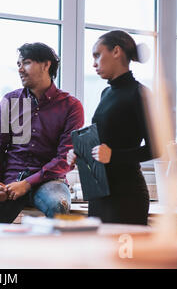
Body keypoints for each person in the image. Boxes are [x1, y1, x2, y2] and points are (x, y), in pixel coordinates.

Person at [0, 42, 84, 224]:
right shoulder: (10, 101)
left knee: (59, 205)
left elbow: (65, 158)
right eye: (18, 64)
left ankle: (54, 252)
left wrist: (27, 184)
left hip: (50, 182)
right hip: (10, 181)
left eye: (26, 63)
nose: (20, 69)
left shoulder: (71, 106)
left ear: (46, 65)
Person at [67, 30, 155, 225]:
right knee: (99, 254)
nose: (94, 63)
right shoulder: (106, 92)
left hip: (127, 195)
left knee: (125, 256)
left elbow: (156, 148)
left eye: (97, 55)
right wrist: (79, 153)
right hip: (99, 193)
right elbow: (104, 142)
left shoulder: (141, 94)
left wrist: (114, 156)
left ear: (116, 51)